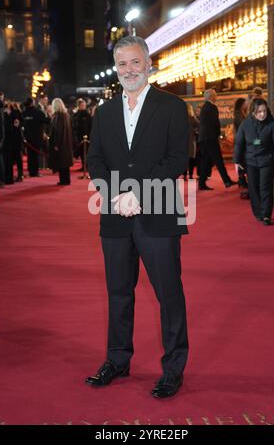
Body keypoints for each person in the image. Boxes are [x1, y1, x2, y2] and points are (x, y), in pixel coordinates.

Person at [86, 35, 189, 399]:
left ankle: (173, 369)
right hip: (115, 217)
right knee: (118, 292)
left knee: (168, 293)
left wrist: (138, 193)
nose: (129, 70)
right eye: (122, 64)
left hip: (158, 213)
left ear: (148, 64)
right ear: (117, 69)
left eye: (135, 62)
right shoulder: (104, 112)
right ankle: (117, 359)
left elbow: (178, 159)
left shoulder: (172, 107)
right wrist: (115, 195)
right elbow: (93, 161)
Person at [234, 98, 274, 225]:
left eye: (264, 111)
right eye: (259, 112)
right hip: (250, 161)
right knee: (253, 188)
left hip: (267, 160)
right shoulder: (245, 124)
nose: (262, 114)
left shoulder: (272, 124)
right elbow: (239, 143)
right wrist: (237, 160)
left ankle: (266, 215)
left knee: (265, 187)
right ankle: (258, 212)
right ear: (253, 112)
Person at [198, 89, 237, 190]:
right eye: (216, 95)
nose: (217, 97)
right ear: (212, 96)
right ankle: (227, 181)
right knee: (218, 160)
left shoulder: (204, 107)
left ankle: (202, 183)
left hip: (204, 138)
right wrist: (219, 136)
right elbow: (215, 123)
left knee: (206, 161)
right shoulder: (212, 107)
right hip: (211, 138)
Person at [49, 98, 73, 185]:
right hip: (66, 143)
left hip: (60, 143)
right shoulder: (66, 115)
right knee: (65, 163)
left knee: (61, 162)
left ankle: (63, 180)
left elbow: (57, 131)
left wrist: (56, 144)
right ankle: (66, 180)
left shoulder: (58, 116)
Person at [233, 98, 248, 189]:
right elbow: (243, 125)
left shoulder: (240, 113)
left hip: (241, 139)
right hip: (241, 139)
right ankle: (241, 179)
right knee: (241, 160)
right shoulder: (239, 114)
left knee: (241, 159)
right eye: (245, 103)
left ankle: (241, 179)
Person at [183, 103, 199, 180]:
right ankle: (191, 175)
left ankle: (184, 175)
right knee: (191, 159)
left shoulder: (180, 118)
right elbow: (199, 126)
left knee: (184, 159)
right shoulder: (192, 118)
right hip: (191, 141)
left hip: (183, 142)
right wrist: (195, 131)